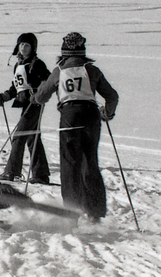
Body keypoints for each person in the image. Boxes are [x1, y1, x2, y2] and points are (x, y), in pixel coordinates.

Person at [34, 32, 119, 222]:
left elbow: (41, 97)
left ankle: (72, 213)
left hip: (70, 117)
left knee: (70, 164)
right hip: (91, 116)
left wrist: (36, 97)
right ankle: (95, 213)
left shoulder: (59, 70)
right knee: (90, 163)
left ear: (64, 52)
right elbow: (112, 96)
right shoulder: (92, 70)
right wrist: (108, 113)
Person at [0, 32, 51, 183]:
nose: (24, 48)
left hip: (34, 105)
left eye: (27, 45)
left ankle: (12, 172)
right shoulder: (19, 65)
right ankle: (41, 174)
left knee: (19, 136)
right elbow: (16, 87)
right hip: (25, 104)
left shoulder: (37, 64)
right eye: (21, 45)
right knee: (33, 137)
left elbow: (48, 80)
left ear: (33, 48)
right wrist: (5, 96)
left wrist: (38, 94)